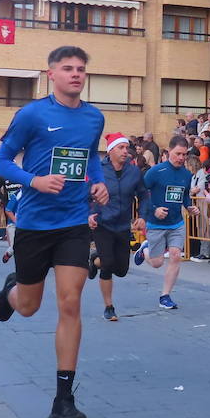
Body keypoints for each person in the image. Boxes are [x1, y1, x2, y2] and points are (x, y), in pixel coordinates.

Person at [0, 46, 109, 418]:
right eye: (68, 68)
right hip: (34, 224)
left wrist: (100, 183)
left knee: (70, 303)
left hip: (73, 222)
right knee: (28, 307)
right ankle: (11, 290)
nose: (76, 74)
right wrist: (34, 180)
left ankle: (64, 399)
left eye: (81, 69)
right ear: (51, 74)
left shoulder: (94, 117)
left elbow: (90, 157)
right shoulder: (32, 115)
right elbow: (1, 162)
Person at [88, 133, 148, 322]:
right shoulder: (98, 169)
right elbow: (83, 194)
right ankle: (109, 307)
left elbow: (144, 195)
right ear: (111, 150)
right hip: (102, 223)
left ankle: (94, 260)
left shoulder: (134, 172)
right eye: (121, 148)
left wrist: (142, 216)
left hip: (123, 225)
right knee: (108, 265)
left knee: (120, 269)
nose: (126, 151)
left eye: (126, 148)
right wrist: (88, 214)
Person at [134, 137, 198, 308]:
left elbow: (184, 195)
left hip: (176, 223)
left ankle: (165, 296)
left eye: (184, 154)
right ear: (169, 152)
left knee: (176, 255)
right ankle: (145, 250)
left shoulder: (186, 174)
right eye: (178, 154)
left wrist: (190, 207)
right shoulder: (156, 171)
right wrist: (154, 209)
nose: (181, 158)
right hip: (155, 223)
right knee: (157, 263)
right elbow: (141, 193)